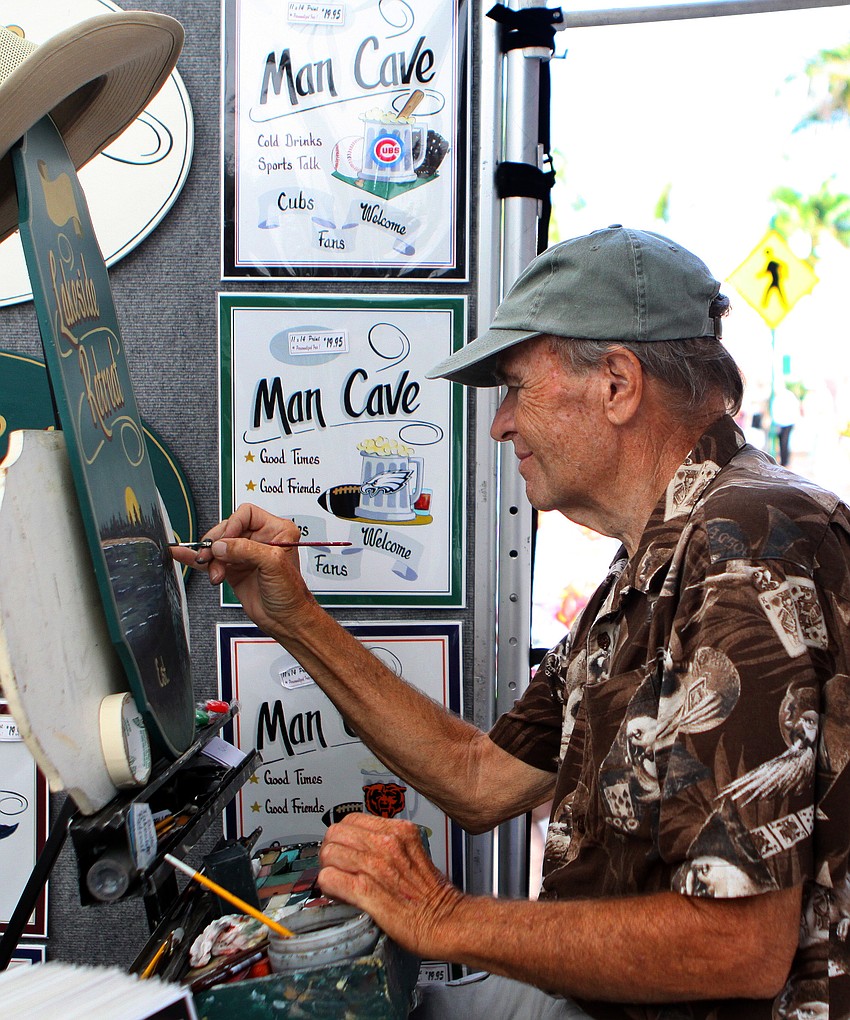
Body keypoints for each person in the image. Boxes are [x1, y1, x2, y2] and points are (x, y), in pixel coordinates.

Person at [174, 225, 850, 1020]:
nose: (499, 425)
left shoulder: (746, 546)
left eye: (517, 387)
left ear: (618, 384)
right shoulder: (651, 564)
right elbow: (480, 779)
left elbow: (737, 946)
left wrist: (440, 917)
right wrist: (294, 618)